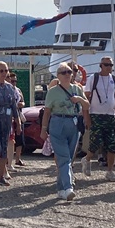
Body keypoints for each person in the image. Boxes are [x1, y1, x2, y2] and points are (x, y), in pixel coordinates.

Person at [40, 63, 90, 200]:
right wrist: (44, 129)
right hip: (57, 123)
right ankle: (68, 187)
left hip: (73, 124)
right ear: (58, 76)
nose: (67, 74)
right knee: (64, 158)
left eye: (69, 72)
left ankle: (61, 188)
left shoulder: (77, 89)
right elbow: (47, 112)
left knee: (69, 157)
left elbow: (87, 105)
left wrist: (79, 99)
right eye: (64, 72)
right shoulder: (53, 92)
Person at [80, 57, 115, 182]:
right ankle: (87, 159)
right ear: (101, 65)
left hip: (110, 115)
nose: (109, 67)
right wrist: (86, 116)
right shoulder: (93, 78)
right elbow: (86, 98)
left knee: (111, 145)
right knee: (95, 142)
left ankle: (110, 171)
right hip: (96, 114)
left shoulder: (114, 79)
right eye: (106, 65)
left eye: (111, 65)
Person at [8, 72, 26, 168]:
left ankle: (17, 159)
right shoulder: (6, 89)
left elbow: (23, 101)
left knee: (20, 138)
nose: (14, 82)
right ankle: (7, 160)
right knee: (9, 139)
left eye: (15, 81)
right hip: (9, 116)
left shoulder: (18, 90)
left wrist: (21, 104)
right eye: (12, 80)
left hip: (18, 115)